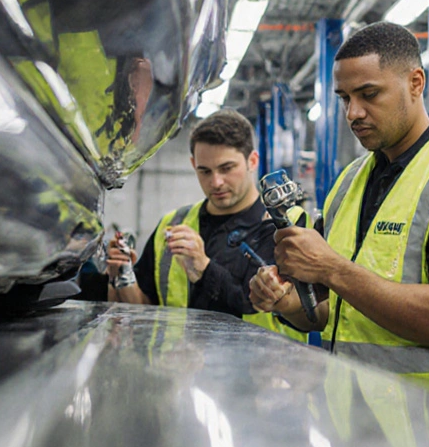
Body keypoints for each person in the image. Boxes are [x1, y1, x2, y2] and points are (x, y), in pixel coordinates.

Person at [249, 22, 429, 409]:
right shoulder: (348, 185)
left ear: (415, 83)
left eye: (369, 94)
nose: (353, 113)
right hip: (356, 433)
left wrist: (331, 268)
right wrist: (285, 303)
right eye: (344, 98)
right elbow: (332, 314)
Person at [107, 110, 301, 338]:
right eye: (205, 171)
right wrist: (121, 274)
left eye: (227, 168)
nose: (216, 182)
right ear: (193, 164)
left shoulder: (285, 226)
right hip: (178, 368)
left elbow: (259, 306)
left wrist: (204, 268)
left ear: (252, 161)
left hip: (258, 369)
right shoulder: (172, 224)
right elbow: (145, 310)